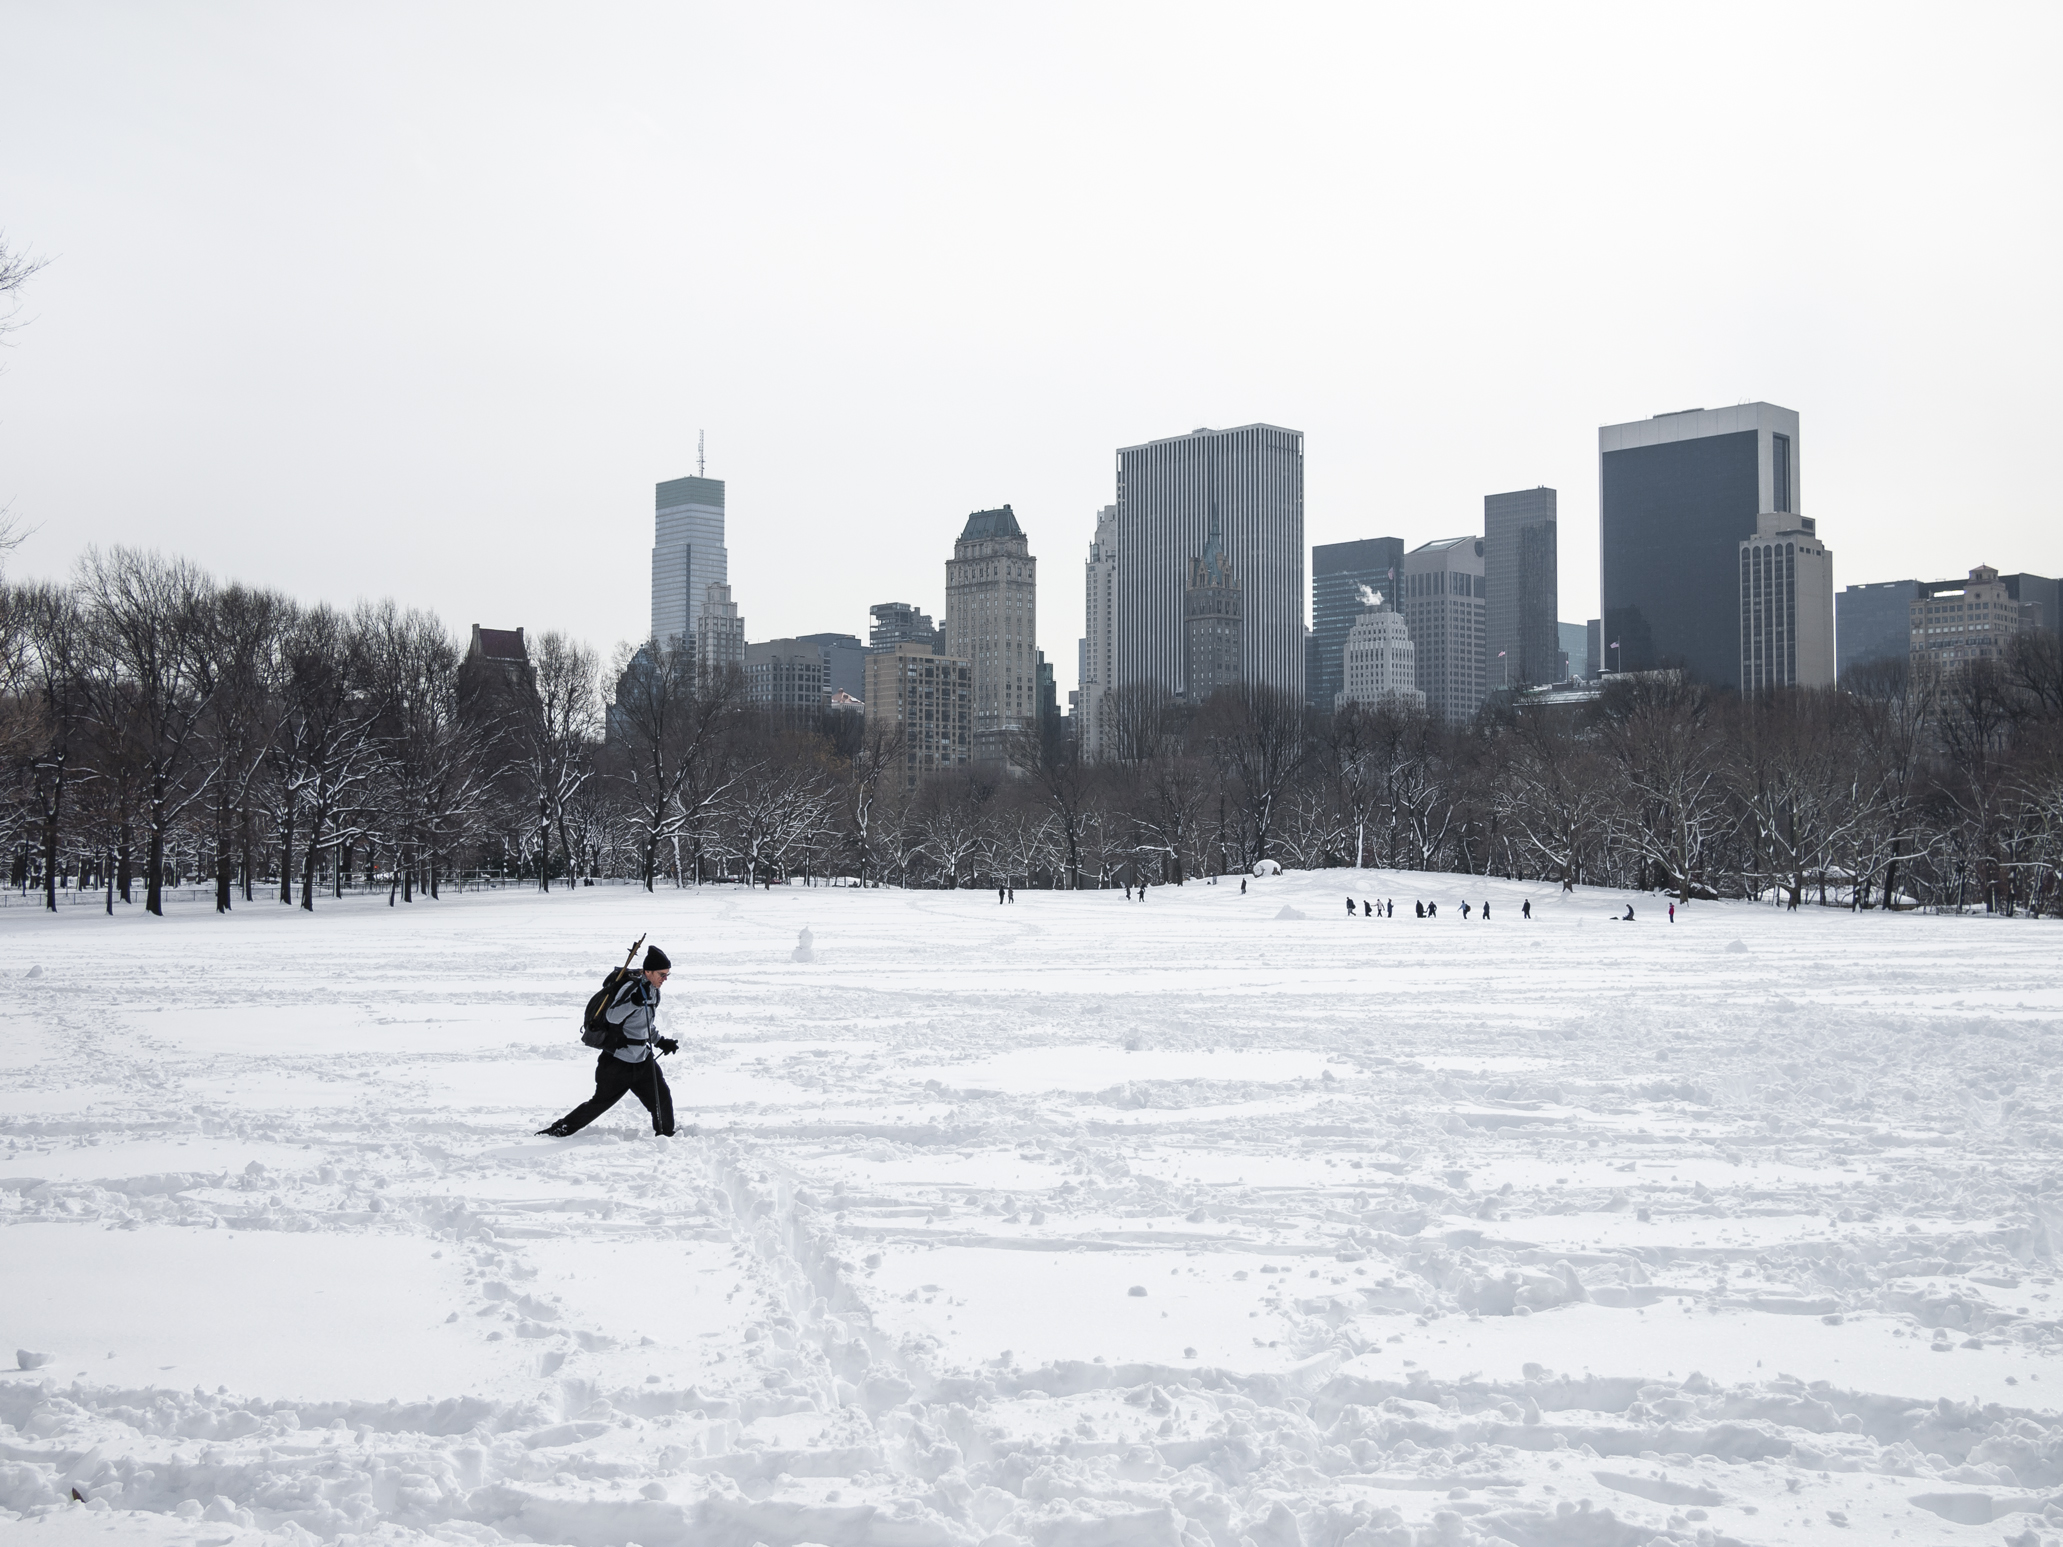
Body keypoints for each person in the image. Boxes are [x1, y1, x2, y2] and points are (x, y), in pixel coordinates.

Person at [539, 946, 678, 1137]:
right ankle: (560, 1129)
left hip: (642, 1059)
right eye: (662, 974)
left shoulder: (654, 992)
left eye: (667, 974)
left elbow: (645, 1023)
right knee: (599, 1103)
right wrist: (633, 1002)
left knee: (661, 1098)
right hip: (618, 1061)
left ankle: (666, 1135)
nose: (665, 978)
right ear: (648, 971)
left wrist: (660, 1041)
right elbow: (613, 1016)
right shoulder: (630, 989)